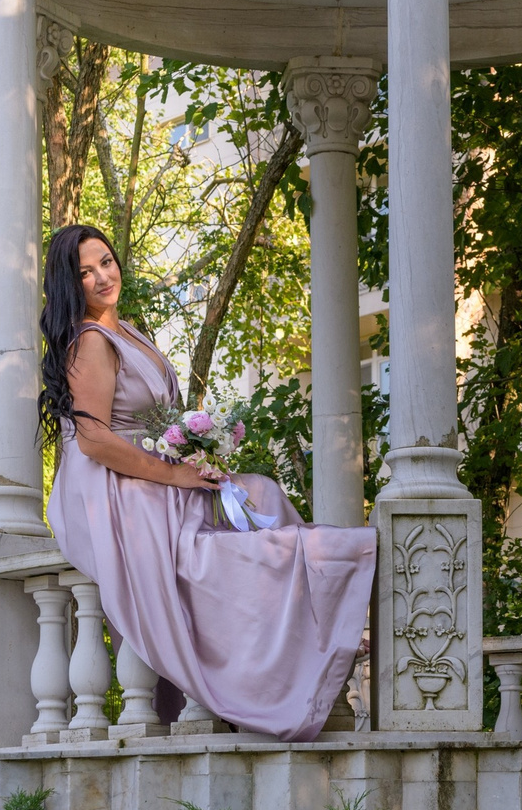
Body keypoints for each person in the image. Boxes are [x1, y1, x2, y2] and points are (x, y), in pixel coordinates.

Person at [39, 222, 376, 741]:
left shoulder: (124, 330)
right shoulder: (90, 342)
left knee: (258, 492)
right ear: (70, 284)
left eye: (106, 261)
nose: (103, 276)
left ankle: (312, 633)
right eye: (85, 272)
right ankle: (313, 638)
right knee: (204, 553)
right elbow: (94, 442)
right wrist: (178, 473)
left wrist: (196, 454)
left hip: (147, 463)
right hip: (110, 483)